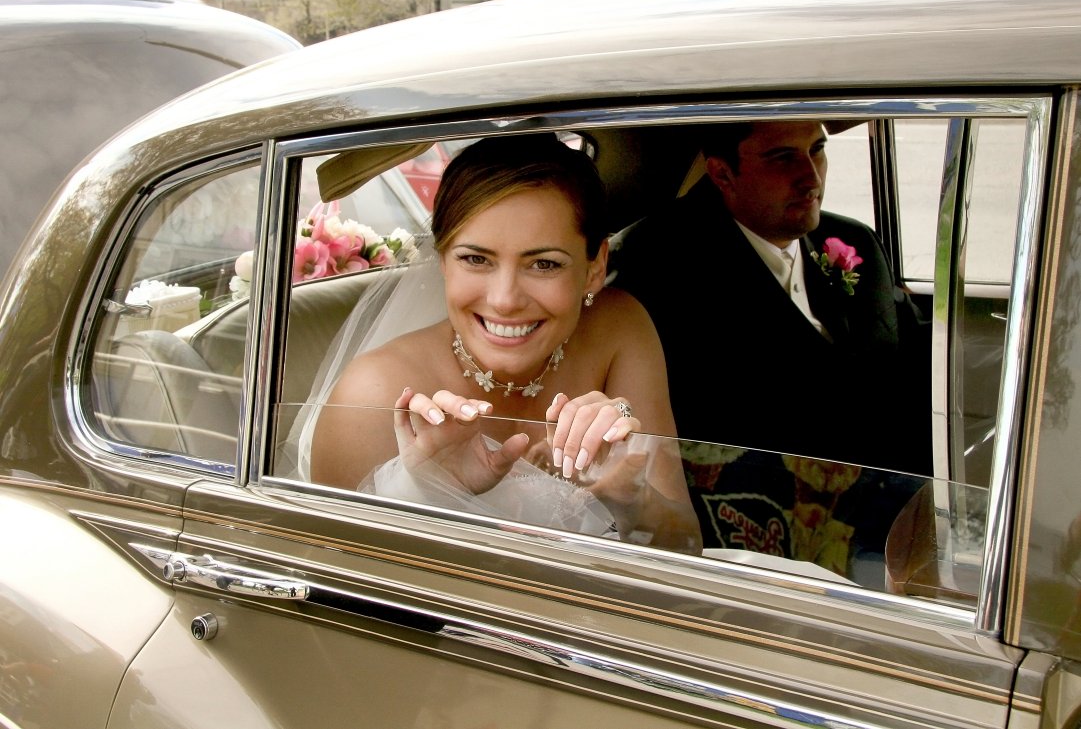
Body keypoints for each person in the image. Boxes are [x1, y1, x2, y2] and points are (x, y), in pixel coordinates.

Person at [309, 133, 702, 555]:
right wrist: (420, 490)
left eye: (544, 264)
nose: (505, 300)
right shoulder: (373, 392)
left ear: (594, 267)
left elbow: (685, 547)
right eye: (476, 259)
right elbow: (330, 574)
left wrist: (633, 499)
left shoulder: (619, 329)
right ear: (442, 260)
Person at [613, 120, 931, 565]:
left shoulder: (854, 241)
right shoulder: (655, 264)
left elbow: (912, 369)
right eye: (783, 157)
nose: (811, 176)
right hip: (760, 538)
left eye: (817, 149)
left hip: (894, 517)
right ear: (722, 173)